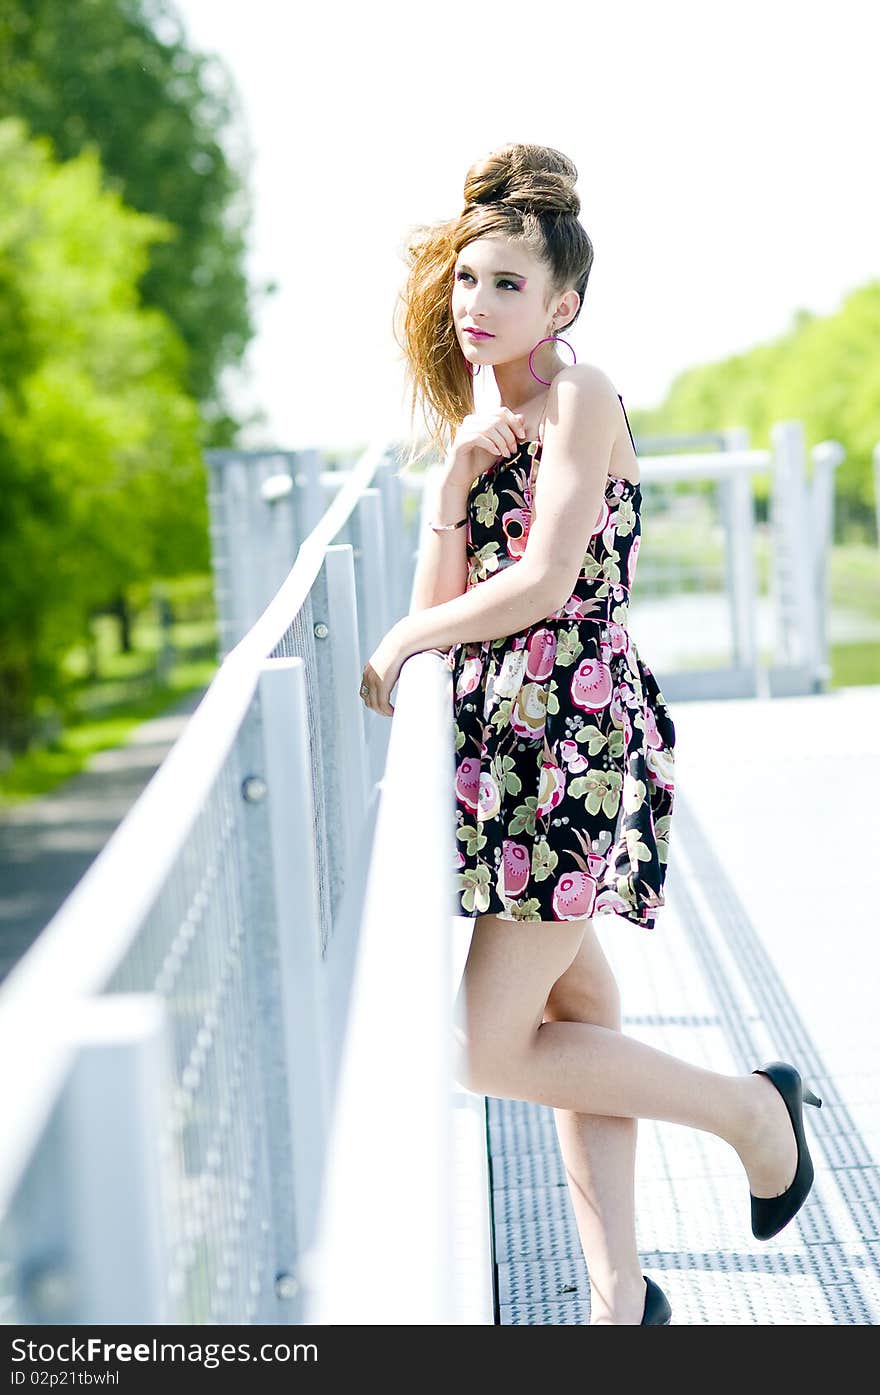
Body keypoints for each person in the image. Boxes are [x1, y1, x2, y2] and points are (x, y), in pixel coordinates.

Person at [358, 142, 821, 1326]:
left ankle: (752, 1115)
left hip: (567, 744)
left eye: (507, 284)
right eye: (468, 279)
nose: (477, 304)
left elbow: (548, 581)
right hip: (498, 751)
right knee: (576, 1018)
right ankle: (620, 1304)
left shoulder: (580, 395)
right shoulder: (487, 408)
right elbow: (448, 587)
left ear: (562, 303)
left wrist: (403, 646)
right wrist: (453, 481)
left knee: (484, 1045)